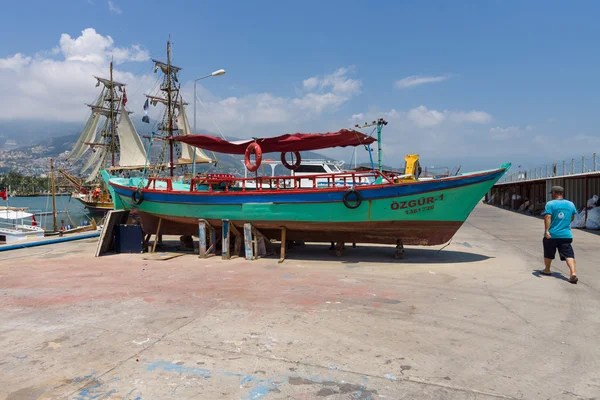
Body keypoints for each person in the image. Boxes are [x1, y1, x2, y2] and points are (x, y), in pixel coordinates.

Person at [541, 185, 578, 284]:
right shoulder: (571, 204)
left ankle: (547, 270)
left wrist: (547, 230)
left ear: (553, 193)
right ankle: (573, 273)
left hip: (552, 235)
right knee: (569, 254)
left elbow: (548, 217)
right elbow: (572, 216)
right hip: (566, 234)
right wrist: (566, 224)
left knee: (549, 252)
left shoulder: (550, 204)